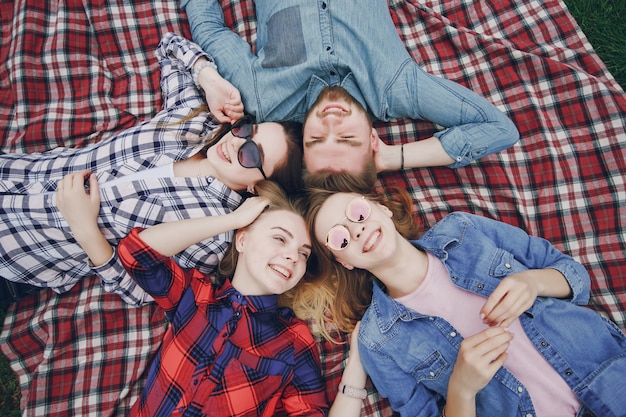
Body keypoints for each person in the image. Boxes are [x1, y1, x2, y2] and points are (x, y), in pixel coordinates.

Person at [0, 33, 303, 306]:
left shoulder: (213, 235)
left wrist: (85, 228)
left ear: (257, 187)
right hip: (17, 173)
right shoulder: (195, 121)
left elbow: (138, 288)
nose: (237, 143)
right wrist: (210, 80)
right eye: (247, 130)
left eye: (252, 153)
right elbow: (170, 48)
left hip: (21, 249)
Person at [297, 176, 626, 417]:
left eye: (357, 212)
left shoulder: (462, 230)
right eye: (339, 238)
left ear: (381, 208)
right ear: (345, 261)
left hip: (606, 374)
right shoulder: (377, 341)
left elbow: (576, 276)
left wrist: (533, 282)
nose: (355, 230)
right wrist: (461, 389)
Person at [59, 175, 367, 416]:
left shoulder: (294, 342)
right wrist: (231, 221)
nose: (292, 257)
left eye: (303, 253)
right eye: (279, 238)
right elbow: (136, 254)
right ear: (242, 241)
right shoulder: (196, 296)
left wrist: (358, 363)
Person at [181, 0, 520, 188]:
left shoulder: (263, 97)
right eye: (346, 138)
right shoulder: (394, 88)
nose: (331, 121)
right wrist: (391, 159)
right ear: (372, 139)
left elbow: (209, 27)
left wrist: (208, 77)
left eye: (316, 139)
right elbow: (499, 129)